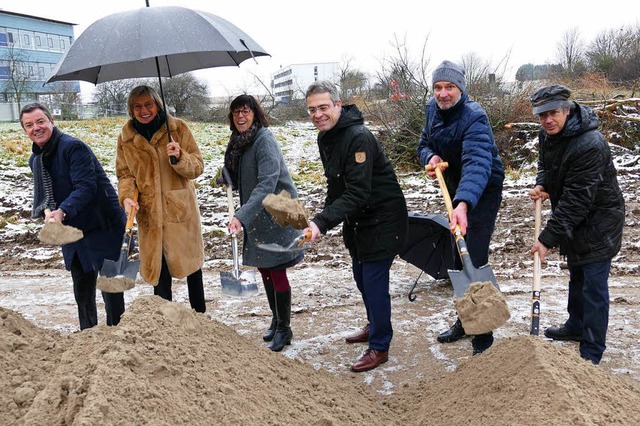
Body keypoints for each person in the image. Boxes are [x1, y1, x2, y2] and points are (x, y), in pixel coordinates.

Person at [305, 80, 408, 373]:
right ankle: (374, 323)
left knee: (374, 283)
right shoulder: (326, 138)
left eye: (324, 107)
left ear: (339, 105)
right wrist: (320, 219)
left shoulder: (359, 137)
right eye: (312, 109)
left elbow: (358, 192)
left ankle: (380, 346)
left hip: (384, 219)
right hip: (358, 220)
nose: (318, 114)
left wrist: (322, 222)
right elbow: (336, 185)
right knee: (361, 277)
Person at [529, 85, 624, 365]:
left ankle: (591, 353)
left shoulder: (590, 143)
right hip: (576, 219)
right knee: (577, 275)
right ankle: (576, 326)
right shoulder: (548, 134)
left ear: (567, 109)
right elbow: (545, 163)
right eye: (542, 115)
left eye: (553, 113)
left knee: (593, 285)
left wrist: (546, 239)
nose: (548, 120)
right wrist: (542, 182)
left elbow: (577, 200)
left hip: (599, 220)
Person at [417, 60, 505, 355]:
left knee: (474, 256)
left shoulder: (474, 117)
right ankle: (465, 321)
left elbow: (477, 164)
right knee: (457, 256)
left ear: (460, 88)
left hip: (482, 189)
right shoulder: (432, 109)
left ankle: (484, 336)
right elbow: (424, 143)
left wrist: (464, 204)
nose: (443, 94)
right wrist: (430, 157)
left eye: (449, 87)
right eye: (438, 87)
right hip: (455, 187)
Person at [22, 103, 125, 330]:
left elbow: (86, 187)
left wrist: (62, 211)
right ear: (25, 130)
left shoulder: (73, 147)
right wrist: (50, 212)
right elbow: (47, 196)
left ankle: (118, 338)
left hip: (104, 225)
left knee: (111, 290)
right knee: (82, 290)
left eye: (40, 121)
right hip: (73, 230)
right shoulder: (36, 160)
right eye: (29, 125)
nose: (36, 128)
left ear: (52, 121)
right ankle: (87, 339)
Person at [222, 94, 303, 352]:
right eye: (236, 113)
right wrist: (224, 176)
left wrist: (241, 216)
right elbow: (241, 173)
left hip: (279, 210)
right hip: (259, 212)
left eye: (245, 111)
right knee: (265, 269)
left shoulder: (264, 139)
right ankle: (276, 319)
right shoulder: (240, 143)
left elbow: (267, 183)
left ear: (255, 113)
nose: (241, 117)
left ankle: (285, 328)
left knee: (277, 268)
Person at [116, 85, 206, 313]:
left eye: (148, 104)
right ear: (131, 110)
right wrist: (126, 198)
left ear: (157, 104)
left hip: (180, 211)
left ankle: (201, 316)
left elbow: (197, 167)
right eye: (138, 107)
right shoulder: (126, 139)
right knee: (160, 270)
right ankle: (166, 324)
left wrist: (180, 156)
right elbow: (125, 174)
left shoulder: (178, 129)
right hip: (150, 213)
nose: (144, 110)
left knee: (191, 267)